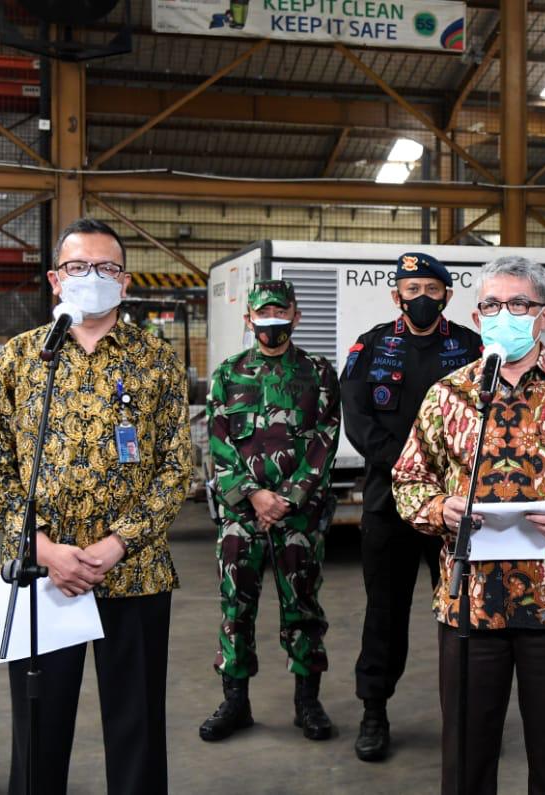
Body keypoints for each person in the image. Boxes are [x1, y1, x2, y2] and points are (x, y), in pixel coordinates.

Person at [393, 255, 545, 795]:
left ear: (544, 316)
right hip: (470, 609)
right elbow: (407, 481)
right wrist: (441, 510)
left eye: (518, 304)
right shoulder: (449, 396)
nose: (503, 313)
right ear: (477, 318)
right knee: (466, 762)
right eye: (491, 305)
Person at [0, 218, 192, 795]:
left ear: (124, 282)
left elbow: (175, 469)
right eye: (77, 267)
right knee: (39, 727)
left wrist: (116, 544)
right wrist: (46, 550)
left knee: (137, 726)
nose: (92, 277)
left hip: (135, 574)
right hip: (42, 578)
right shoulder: (22, 360)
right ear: (54, 279)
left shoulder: (155, 359)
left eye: (106, 268)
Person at [341, 252, 482, 762]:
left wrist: (444, 476)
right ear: (395, 294)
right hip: (390, 502)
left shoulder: (471, 346)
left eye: (431, 288)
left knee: (465, 611)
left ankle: (468, 714)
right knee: (385, 611)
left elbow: (487, 418)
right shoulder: (371, 346)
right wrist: (408, 467)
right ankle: (373, 712)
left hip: (458, 506)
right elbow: (357, 420)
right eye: (411, 288)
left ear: (447, 294)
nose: (421, 297)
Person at [200, 279, 341, 744]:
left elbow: (325, 441)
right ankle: (235, 701)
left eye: (280, 312)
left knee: (302, 606)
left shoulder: (319, 373)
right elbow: (218, 444)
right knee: (236, 607)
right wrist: (253, 496)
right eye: (263, 313)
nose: (271, 321)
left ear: (295, 317)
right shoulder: (227, 374)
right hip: (241, 514)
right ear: (250, 320)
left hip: (298, 516)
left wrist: (287, 499)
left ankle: (307, 702)